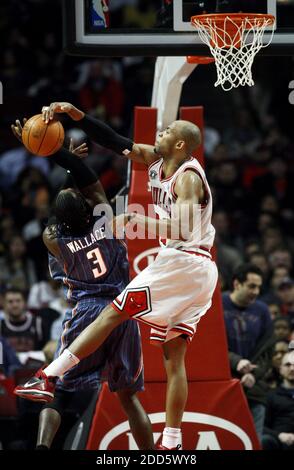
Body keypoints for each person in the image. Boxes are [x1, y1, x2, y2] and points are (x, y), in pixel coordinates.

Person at [15, 101, 218, 450]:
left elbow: (183, 228)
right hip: (200, 269)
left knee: (114, 313)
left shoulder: (55, 239)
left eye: (167, 132)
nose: (161, 132)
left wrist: (136, 219)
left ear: (181, 145)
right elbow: (113, 141)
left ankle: (45, 376)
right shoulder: (149, 168)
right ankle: (170, 442)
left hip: (179, 261)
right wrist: (78, 118)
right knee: (173, 358)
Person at [11, 119, 153, 451]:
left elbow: (66, 207)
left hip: (86, 312)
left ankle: (43, 447)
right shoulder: (105, 219)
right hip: (120, 309)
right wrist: (66, 159)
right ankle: (151, 456)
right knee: (129, 398)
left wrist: (43, 149)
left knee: (58, 389)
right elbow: (85, 186)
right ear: (88, 207)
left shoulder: (52, 239)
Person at [223, 264, 273, 441]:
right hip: (224, 386)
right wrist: (236, 361)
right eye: (252, 286)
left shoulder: (262, 311)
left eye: (259, 287)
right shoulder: (217, 305)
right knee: (227, 440)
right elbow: (212, 346)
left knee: (254, 442)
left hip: (254, 389)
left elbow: (267, 351)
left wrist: (254, 374)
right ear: (237, 283)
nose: (256, 291)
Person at [262, 352, 294, 450]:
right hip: (278, 441)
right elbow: (262, 426)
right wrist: (279, 435)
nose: (292, 369)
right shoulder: (271, 396)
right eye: (288, 365)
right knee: (265, 440)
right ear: (281, 369)